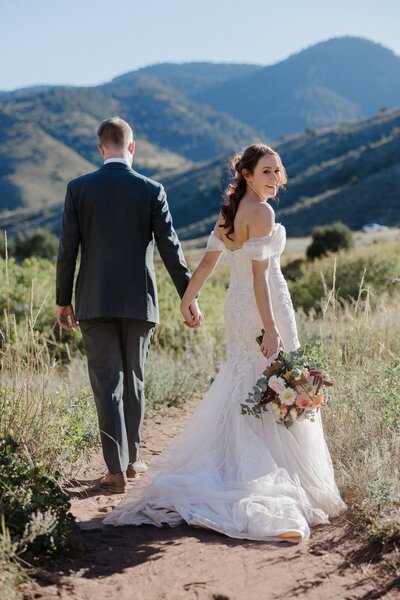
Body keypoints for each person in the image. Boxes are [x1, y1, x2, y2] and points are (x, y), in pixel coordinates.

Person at [104, 144, 346, 542]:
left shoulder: (230, 213)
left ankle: (230, 466)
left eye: (277, 171)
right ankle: (268, 480)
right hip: (262, 306)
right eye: (266, 171)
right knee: (271, 379)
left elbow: (207, 263)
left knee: (246, 380)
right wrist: (270, 327)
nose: (274, 178)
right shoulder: (263, 212)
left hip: (236, 309)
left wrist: (187, 299)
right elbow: (261, 278)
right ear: (246, 175)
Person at [56, 117, 201, 494]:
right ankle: (134, 459)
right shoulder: (152, 189)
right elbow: (171, 248)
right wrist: (189, 297)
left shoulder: (78, 189)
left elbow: (67, 250)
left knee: (108, 384)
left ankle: (115, 469)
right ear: (131, 147)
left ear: (101, 148)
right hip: (140, 302)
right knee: (134, 380)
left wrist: (62, 300)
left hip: (93, 299)